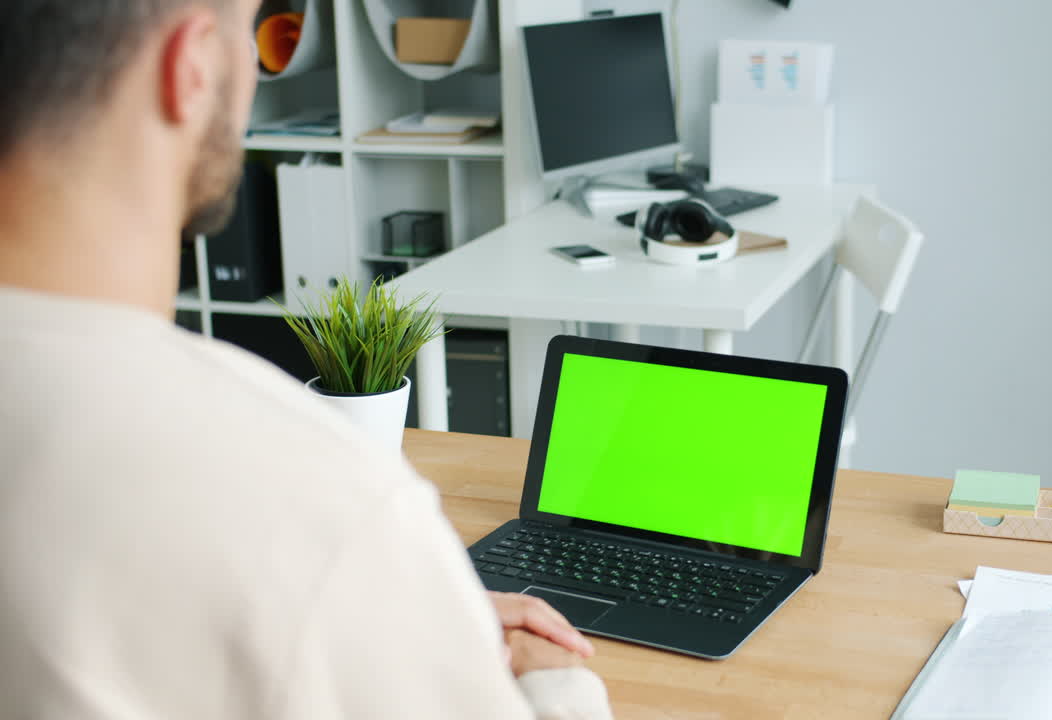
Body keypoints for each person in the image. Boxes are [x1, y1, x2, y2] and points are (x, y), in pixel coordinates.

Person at [0, 2, 613, 718]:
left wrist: (386, 616)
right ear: (192, 68)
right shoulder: (319, 492)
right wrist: (554, 679)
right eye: (247, 32)